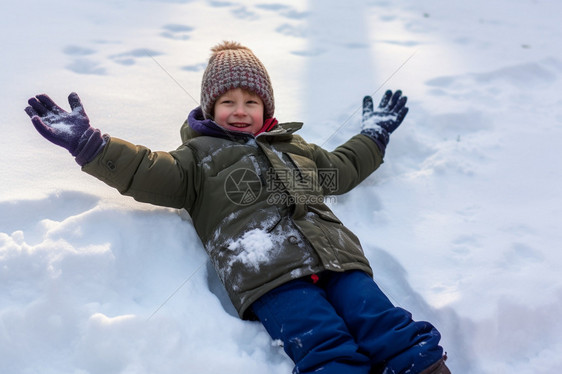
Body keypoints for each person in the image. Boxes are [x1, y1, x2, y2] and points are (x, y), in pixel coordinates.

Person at [24, 41, 451, 374]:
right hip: (266, 272)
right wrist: (92, 146)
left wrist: (373, 137)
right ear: (210, 108)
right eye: (228, 102)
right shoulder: (195, 159)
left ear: (267, 107)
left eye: (251, 101)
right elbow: (146, 170)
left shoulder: (295, 147)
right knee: (324, 346)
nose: (240, 111)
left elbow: (341, 168)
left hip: (338, 259)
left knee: (389, 327)